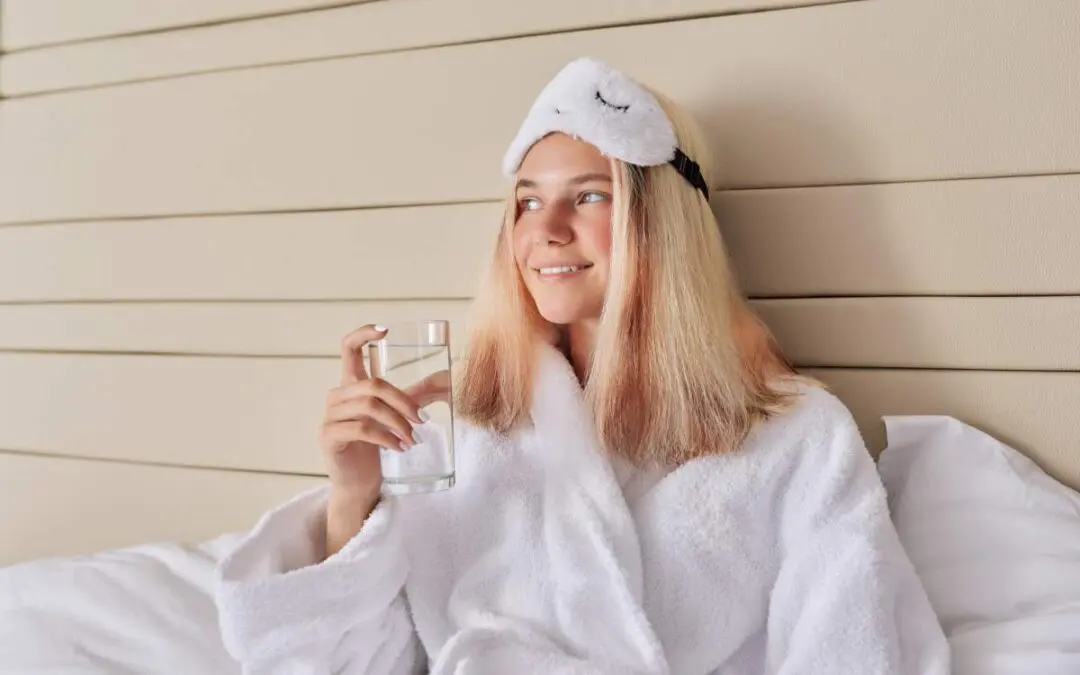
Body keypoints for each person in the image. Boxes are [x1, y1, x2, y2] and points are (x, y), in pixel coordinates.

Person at [214, 57, 950, 674]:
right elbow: (351, 664)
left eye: (589, 196)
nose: (547, 230)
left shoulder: (796, 436)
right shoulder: (464, 427)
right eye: (527, 202)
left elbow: (850, 648)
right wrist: (352, 496)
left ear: (658, 223)